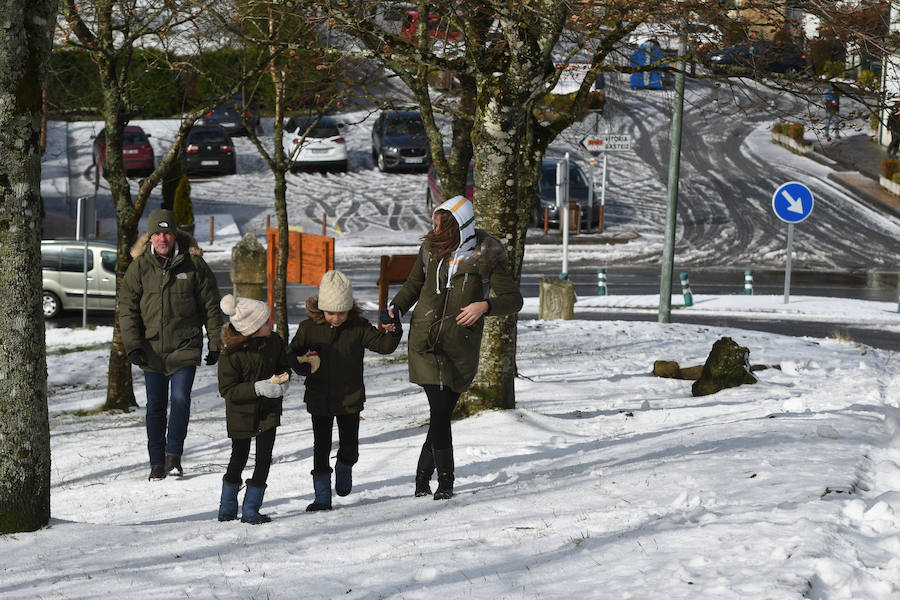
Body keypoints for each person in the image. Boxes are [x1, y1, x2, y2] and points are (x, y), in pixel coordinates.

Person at [386, 196, 523, 500]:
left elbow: (514, 299)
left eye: (440, 226)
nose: (434, 232)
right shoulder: (430, 249)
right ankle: (445, 482)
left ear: (458, 227)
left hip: (460, 346)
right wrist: (395, 308)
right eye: (434, 225)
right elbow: (413, 285)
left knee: (442, 412)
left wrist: (485, 305)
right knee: (438, 408)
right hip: (424, 340)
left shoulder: (488, 254)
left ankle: (422, 478)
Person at [119, 208, 223, 481]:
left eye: (167, 232)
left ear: (175, 234)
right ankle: (156, 463)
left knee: (180, 401)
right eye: (157, 233)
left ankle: (173, 457)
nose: (163, 238)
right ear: (150, 237)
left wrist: (215, 342)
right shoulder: (139, 268)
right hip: (150, 351)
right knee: (155, 406)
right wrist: (134, 346)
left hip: (184, 346)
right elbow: (127, 309)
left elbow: (211, 307)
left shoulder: (194, 265)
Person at [288, 270, 402, 511]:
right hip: (319, 398)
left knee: (350, 446)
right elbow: (293, 353)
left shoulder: (358, 327)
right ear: (321, 309)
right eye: (331, 313)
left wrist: (394, 331)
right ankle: (321, 496)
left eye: (342, 312)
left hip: (350, 398)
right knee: (321, 447)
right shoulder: (309, 328)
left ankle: (344, 465)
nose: (337, 318)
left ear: (350, 309)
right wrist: (302, 366)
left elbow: (383, 346)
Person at [216, 294, 295, 524]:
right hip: (241, 414)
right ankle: (227, 506)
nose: (271, 323)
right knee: (238, 458)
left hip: (268, 411)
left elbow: (283, 366)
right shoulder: (230, 353)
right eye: (266, 321)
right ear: (251, 328)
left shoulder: (275, 342)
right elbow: (228, 390)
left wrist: (284, 379)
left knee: (264, 459)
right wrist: (258, 388)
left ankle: (251, 508)